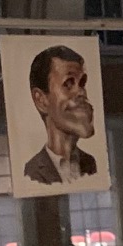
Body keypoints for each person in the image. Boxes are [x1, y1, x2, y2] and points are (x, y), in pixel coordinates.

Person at [21, 44, 100, 187]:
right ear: (41, 100)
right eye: (68, 84)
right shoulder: (32, 172)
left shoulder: (90, 164)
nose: (81, 92)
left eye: (82, 83)